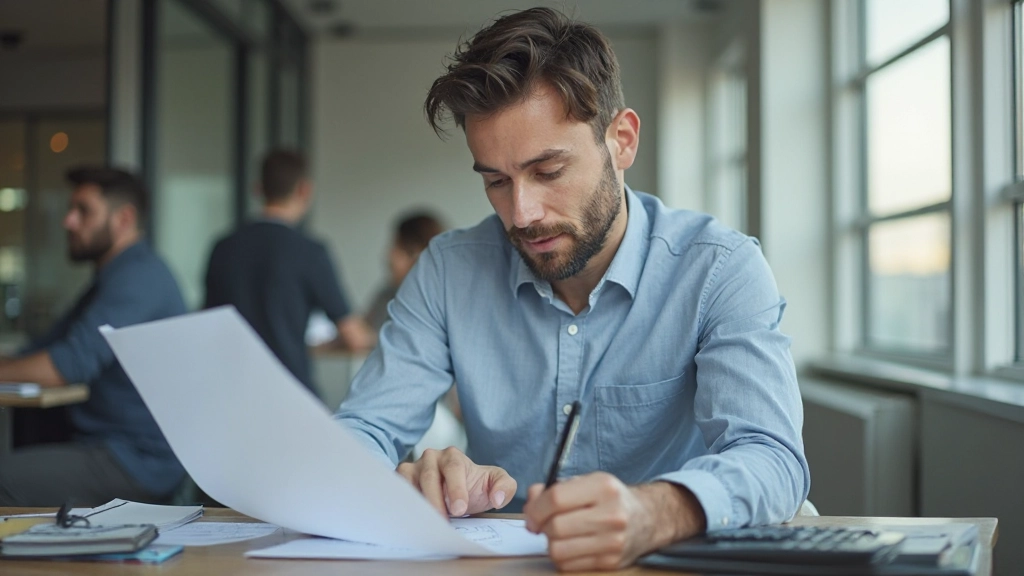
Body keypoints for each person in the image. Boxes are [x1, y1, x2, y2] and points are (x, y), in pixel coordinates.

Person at [336, 7, 809, 571]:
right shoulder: (447, 270)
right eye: (495, 181)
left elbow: (773, 458)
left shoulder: (719, 269)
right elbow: (361, 430)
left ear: (622, 141)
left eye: (548, 171)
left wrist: (655, 511)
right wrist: (407, 483)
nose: (522, 213)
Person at [0, 166, 187, 506]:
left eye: (83, 211)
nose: (68, 221)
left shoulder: (139, 278)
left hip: (136, 459)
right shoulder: (111, 279)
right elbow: (43, 349)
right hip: (102, 443)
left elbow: (65, 366)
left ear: (124, 219)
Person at [204, 149, 373, 395]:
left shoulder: (223, 247)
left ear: (258, 189)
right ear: (304, 190)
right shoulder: (309, 252)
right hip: (290, 393)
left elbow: (208, 323)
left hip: (231, 392)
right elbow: (355, 336)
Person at [365, 212, 445, 333]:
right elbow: (361, 329)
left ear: (417, 254)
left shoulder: (439, 299)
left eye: (396, 247)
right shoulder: (386, 294)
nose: (388, 256)